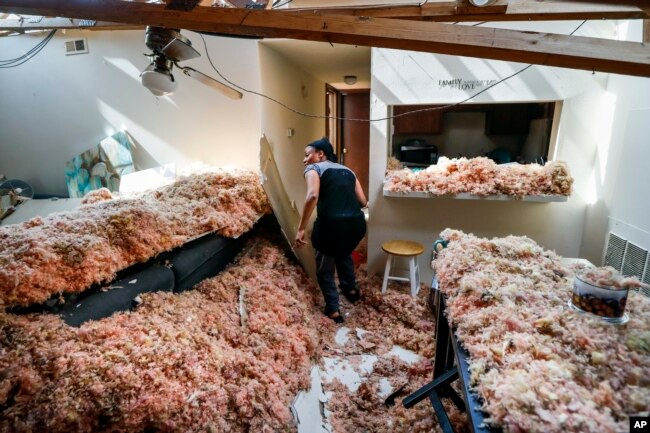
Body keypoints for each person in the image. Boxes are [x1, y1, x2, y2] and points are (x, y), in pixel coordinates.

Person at [294, 138, 368, 323]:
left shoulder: (314, 169)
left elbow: (312, 196)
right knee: (343, 252)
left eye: (307, 155)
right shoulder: (348, 170)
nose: (305, 160)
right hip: (356, 225)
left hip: (331, 226)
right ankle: (351, 290)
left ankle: (333, 309)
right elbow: (363, 202)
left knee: (324, 267)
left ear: (320, 154)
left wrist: (301, 228)